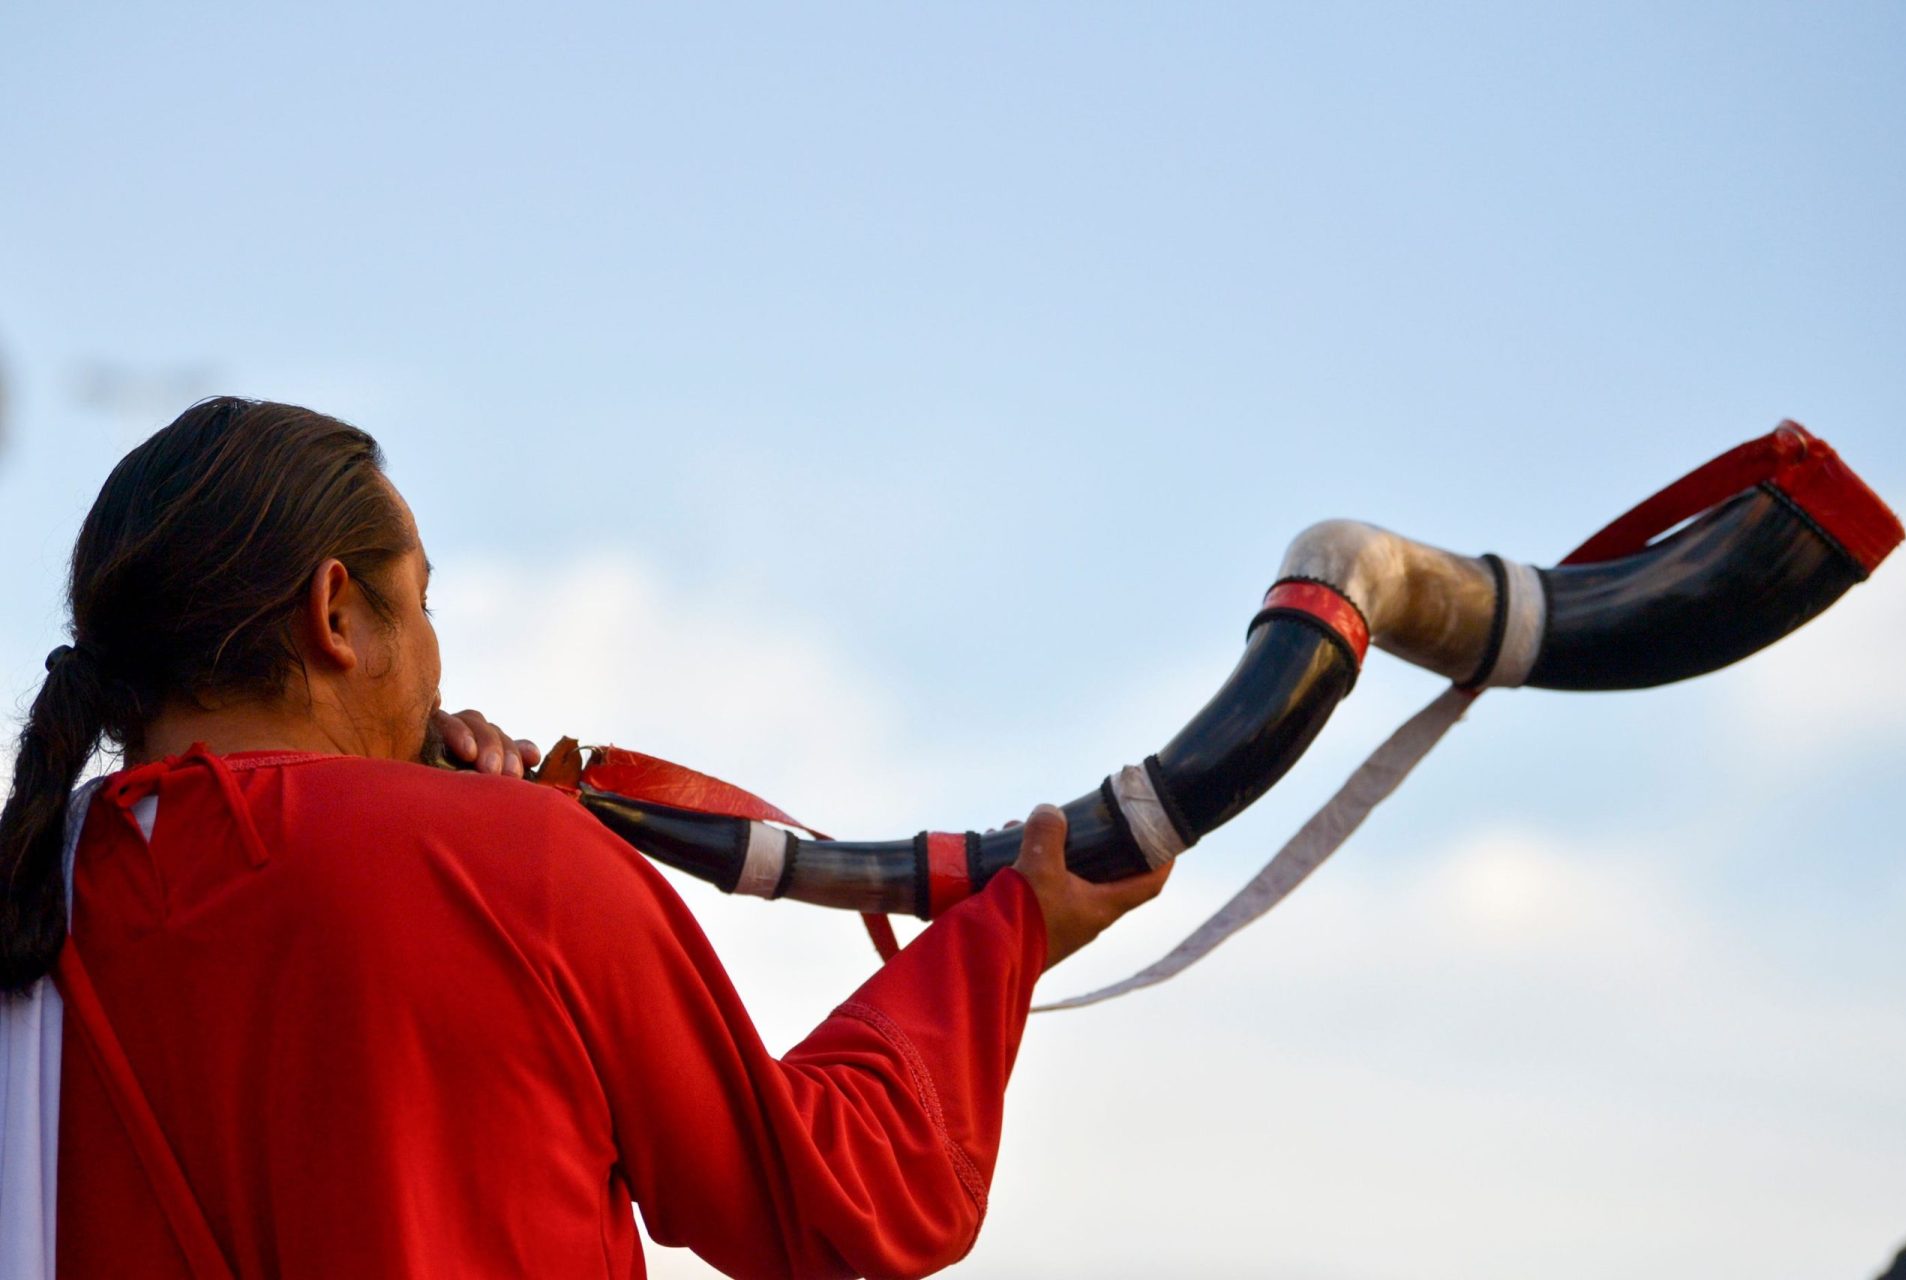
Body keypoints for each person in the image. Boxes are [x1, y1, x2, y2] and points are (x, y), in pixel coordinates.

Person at [0, 397, 1171, 1278]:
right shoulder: (515, 864)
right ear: (338, 611)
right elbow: (848, 1195)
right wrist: (1012, 933)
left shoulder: (28, 898)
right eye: (425, 603)